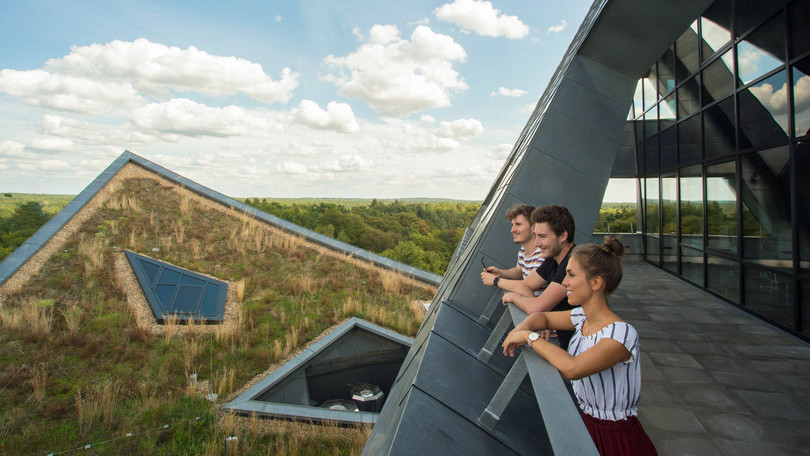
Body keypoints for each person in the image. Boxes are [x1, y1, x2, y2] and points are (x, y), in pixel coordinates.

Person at [501, 238, 657, 456]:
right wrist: (521, 329)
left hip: (616, 441)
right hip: (587, 425)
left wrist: (529, 337)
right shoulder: (582, 317)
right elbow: (542, 318)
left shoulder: (621, 334)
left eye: (571, 275)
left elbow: (572, 368)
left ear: (596, 283)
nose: (564, 282)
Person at [501, 204, 576, 349]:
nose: (536, 243)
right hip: (567, 344)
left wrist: (513, 297)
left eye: (542, 236)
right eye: (536, 236)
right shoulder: (553, 259)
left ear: (562, 236)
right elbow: (525, 285)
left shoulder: (572, 263)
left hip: (580, 350)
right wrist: (540, 315)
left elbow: (536, 307)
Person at [480, 204, 543, 293]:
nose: (512, 230)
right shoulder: (523, 251)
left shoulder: (543, 254)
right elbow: (518, 272)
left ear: (533, 227)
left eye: (518, 224)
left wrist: (495, 280)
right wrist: (500, 273)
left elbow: (528, 285)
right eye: (512, 224)